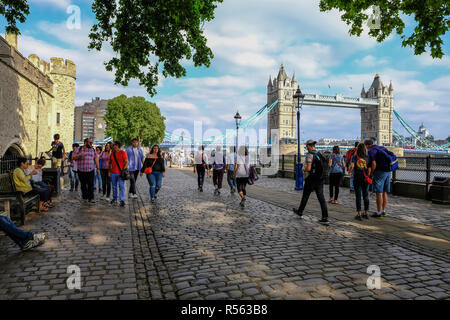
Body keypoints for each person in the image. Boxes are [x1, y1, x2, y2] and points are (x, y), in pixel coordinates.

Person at [292, 140, 329, 224]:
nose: (306, 147)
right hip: (320, 179)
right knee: (321, 198)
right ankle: (325, 217)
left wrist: (303, 169)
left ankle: (300, 211)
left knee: (305, 195)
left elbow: (308, 168)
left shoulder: (309, 155)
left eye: (306, 146)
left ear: (309, 146)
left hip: (312, 179)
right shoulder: (319, 154)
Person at [365, 138, 392, 218]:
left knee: (378, 192)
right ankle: (383, 211)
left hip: (379, 172)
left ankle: (379, 212)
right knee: (384, 192)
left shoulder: (371, 150)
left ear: (367, 145)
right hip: (388, 171)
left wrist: (372, 173)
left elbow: (373, 163)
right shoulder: (382, 148)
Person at [72, 138, 99, 204]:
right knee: (83, 185)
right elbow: (73, 157)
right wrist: (79, 155)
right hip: (81, 170)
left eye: (91, 142)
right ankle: (84, 197)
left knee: (90, 184)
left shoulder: (92, 150)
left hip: (90, 170)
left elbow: (96, 158)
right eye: (90, 142)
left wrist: (98, 168)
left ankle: (91, 198)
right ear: (85, 143)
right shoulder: (79, 149)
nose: (91, 144)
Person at [349, 143, 371, 220]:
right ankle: (366, 213)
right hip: (365, 178)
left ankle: (359, 214)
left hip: (357, 178)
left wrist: (349, 172)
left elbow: (352, 166)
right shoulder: (368, 157)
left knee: (358, 196)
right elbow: (369, 168)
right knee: (366, 196)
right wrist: (368, 175)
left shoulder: (355, 157)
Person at [110, 141, 128, 207]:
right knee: (114, 187)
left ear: (118, 146)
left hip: (120, 173)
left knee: (121, 186)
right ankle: (114, 198)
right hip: (113, 172)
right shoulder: (112, 153)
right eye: (114, 145)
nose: (114, 146)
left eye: (115, 145)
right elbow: (110, 162)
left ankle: (122, 200)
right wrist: (109, 171)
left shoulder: (123, 152)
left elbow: (126, 162)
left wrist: (123, 170)